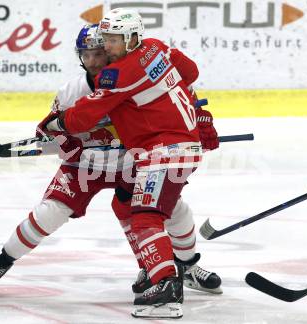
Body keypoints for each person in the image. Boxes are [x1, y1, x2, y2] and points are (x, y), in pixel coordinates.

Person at [38, 9, 220, 318]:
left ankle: (166, 290)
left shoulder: (117, 74)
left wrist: (56, 123)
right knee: (145, 213)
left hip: (164, 150)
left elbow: (85, 116)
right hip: (177, 146)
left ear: (132, 38)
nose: (106, 46)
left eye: (113, 40)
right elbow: (189, 74)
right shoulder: (157, 47)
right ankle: (173, 276)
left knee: (146, 218)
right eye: (105, 39)